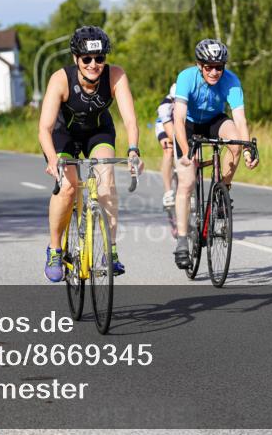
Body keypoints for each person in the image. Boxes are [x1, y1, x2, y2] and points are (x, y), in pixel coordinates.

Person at [38, 26, 142, 282]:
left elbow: (130, 120)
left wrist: (133, 150)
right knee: (68, 188)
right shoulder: (60, 79)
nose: (94, 64)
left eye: (100, 58)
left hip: (98, 132)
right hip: (65, 135)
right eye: (87, 59)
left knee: (107, 182)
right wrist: (53, 159)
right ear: (76, 59)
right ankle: (55, 249)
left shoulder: (115, 75)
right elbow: (45, 128)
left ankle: (111, 251)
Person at [172, 39, 259, 268]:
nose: (214, 72)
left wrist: (248, 147)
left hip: (214, 121)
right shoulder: (186, 77)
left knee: (235, 143)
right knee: (187, 181)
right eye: (208, 66)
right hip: (189, 124)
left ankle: (221, 193)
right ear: (199, 65)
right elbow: (178, 119)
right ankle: (182, 240)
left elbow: (240, 119)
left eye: (218, 67)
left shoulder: (231, 81)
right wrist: (185, 151)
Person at [154, 83, 178, 209]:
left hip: (180, 124)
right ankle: (168, 192)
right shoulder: (165, 106)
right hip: (163, 125)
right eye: (175, 100)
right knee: (168, 150)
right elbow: (170, 131)